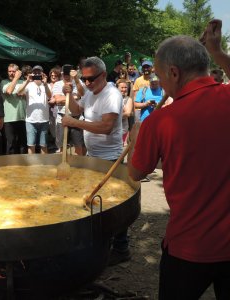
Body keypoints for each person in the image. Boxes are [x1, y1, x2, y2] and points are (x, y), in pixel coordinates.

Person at [127, 20, 230, 299]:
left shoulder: (159, 122)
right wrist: (218, 52)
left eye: (160, 76)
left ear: (174, 72)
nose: (160, 83)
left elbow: (135, 173)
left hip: (189, 247)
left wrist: (135, 139)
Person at [61, 57, 129, 264]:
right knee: (96, 203)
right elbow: (76, 110)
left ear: (104, 75)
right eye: (84, 78)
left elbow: (106, 126)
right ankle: (102, 243)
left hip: (110, 158)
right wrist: (70, 94)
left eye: (91, 79)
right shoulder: (89, 93)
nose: (88, 83)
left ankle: (121, 248)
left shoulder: (112, 95)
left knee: (114, 205)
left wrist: (75, 124)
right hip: (93, 157)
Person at [50, 64, 85, 155]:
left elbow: (82, 94)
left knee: (78, 146)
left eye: (68, 74)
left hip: (76, 117)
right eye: (64, 74)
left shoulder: (78, 82)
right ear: (62, 74)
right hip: (62, 118)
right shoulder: (58, 84)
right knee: (62, 146)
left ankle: (79, 166)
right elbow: (57, 100)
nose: (66, 76)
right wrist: (75, 97)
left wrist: (76, 79)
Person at [17, 65, 51, 154]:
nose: (37, 74)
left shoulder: (47, 85)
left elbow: (50, 96)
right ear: (32, 73)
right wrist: (27, 81)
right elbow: (19, 92)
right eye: (35, 72)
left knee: (44, 145)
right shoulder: (29, 85)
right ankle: (32, 167)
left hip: (44, 120)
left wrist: (46, 84)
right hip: (30, 120)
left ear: (43, 73)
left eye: (39, 72)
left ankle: (45, 166)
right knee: (31, 145)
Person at [0, 63, 27, 154]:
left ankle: (23, 165)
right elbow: (9, 91)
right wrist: (16, 78)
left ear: (18, 72)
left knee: (22, 144)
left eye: (13, 71)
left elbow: (25, 95)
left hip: (22, 117)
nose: (11, 73)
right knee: (11, 144)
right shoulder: (4, 82)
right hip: (8, 118)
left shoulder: (24, 82)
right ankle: (10, 165)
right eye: (9, 71)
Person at [116, 79, 133, 144]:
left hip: (122, 129)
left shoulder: (128, 99)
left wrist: (113, 117)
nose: (124, 89)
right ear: (117, 88)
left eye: (125, 87)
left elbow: (128, 113)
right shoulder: (112, 98)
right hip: (111, 130)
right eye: (122, 87)